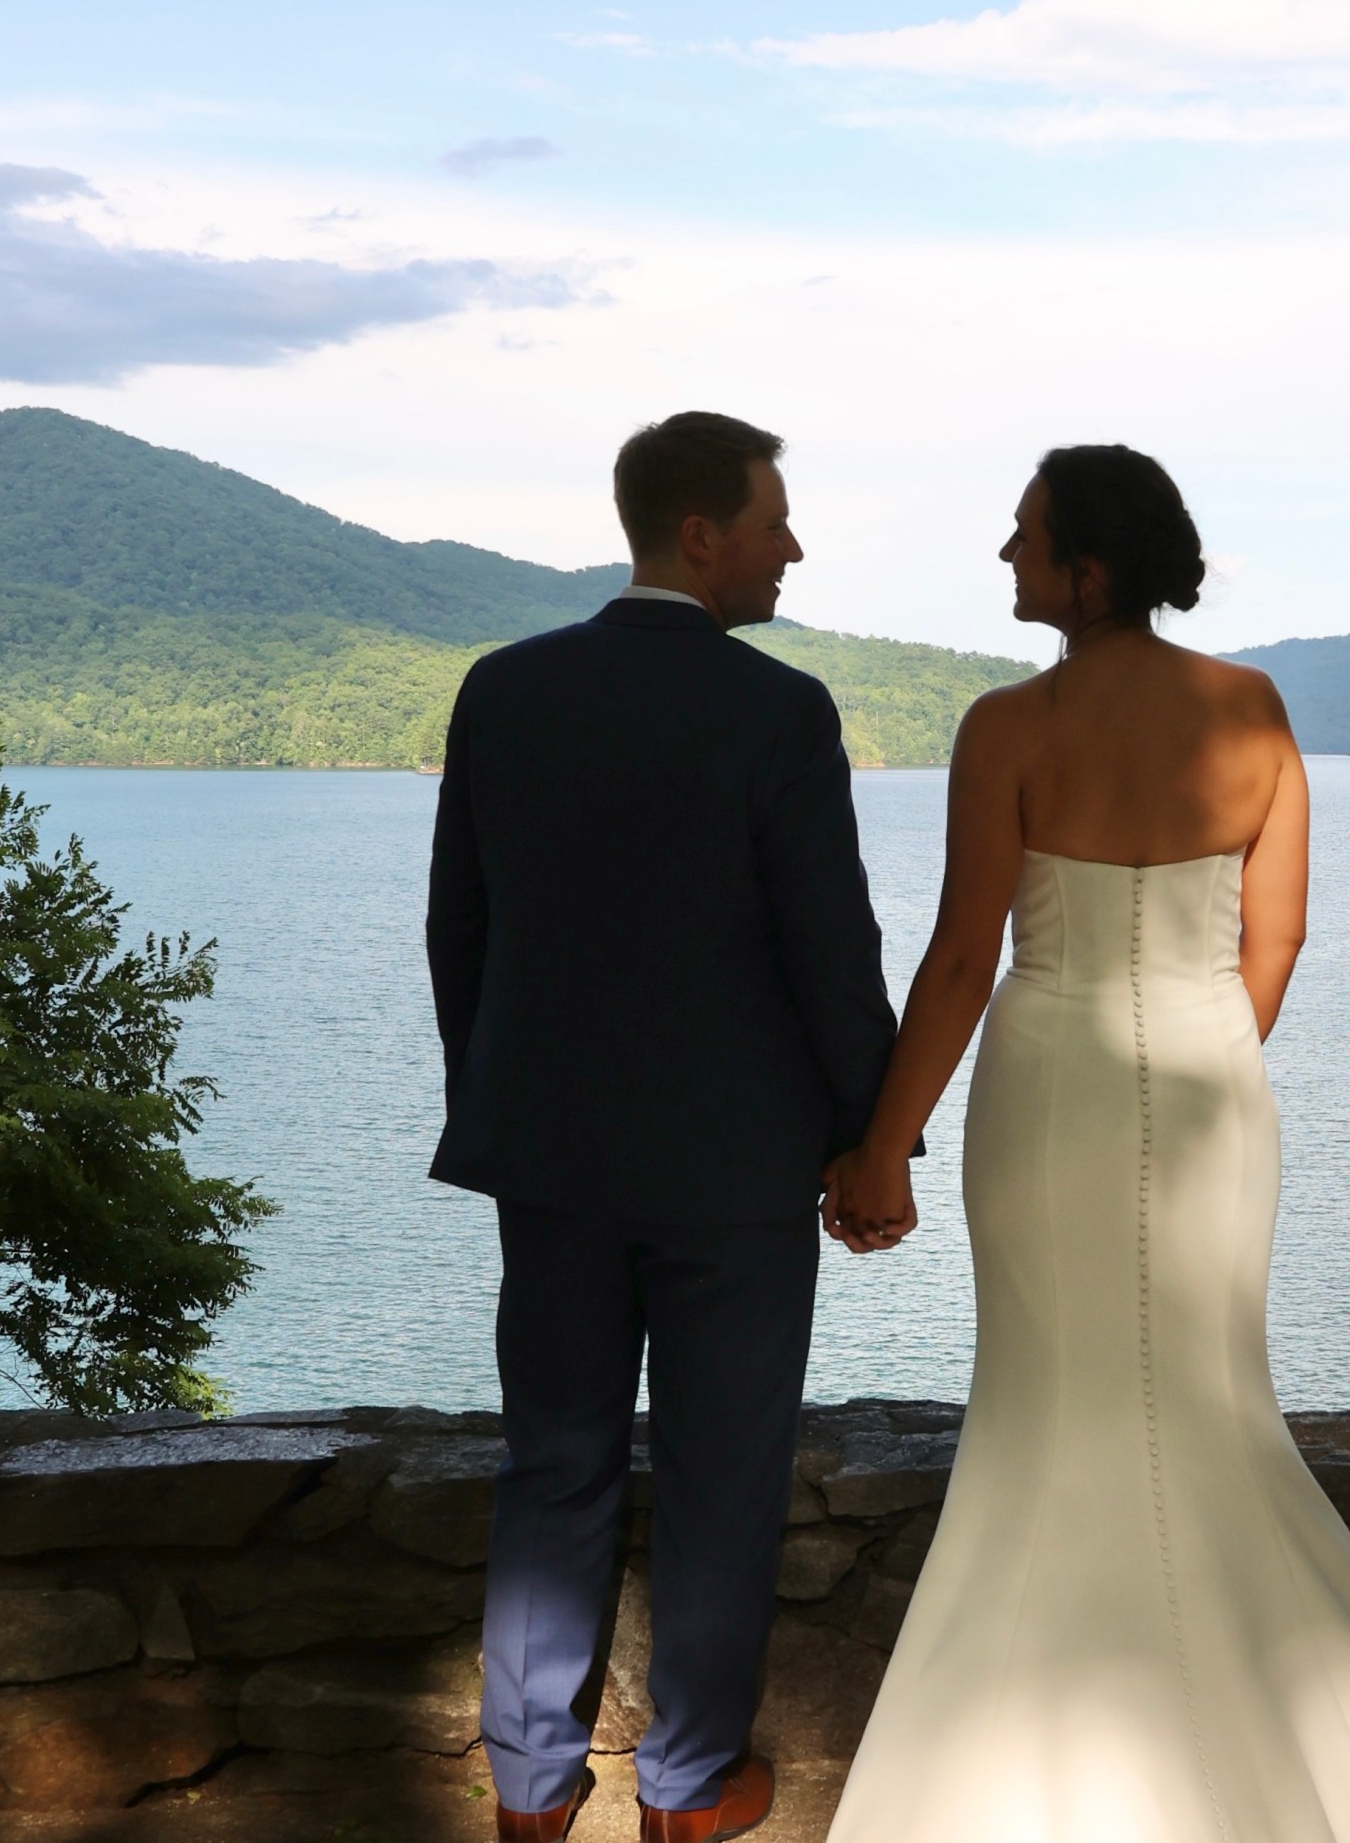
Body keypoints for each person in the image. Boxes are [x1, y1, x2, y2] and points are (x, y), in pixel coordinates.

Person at [820, 444, 1350, 1843]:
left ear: (1089, 569)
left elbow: (966, 957)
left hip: (1047, 1092)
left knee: (1050, 1407)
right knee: (1212, 1406)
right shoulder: (1253, 708)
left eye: (1024, 536)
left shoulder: (1007, 726)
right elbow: (1275, 939)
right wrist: (1204, 1049)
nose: (1003, 555)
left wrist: (882, 1148)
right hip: (1218, 1089)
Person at [426, 411, 898, 1843]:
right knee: (721, 1469)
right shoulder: (780, 710)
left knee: (553, 1456)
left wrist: (493, 1100)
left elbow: (463, 931)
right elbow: (831, 947)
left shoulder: (504, 691)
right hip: (735, 1170)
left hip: (551, 1157)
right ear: (700, 535)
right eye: (774, 522)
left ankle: (528, 1790)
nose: (792, 548)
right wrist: (866, 1140)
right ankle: (690, 1791)